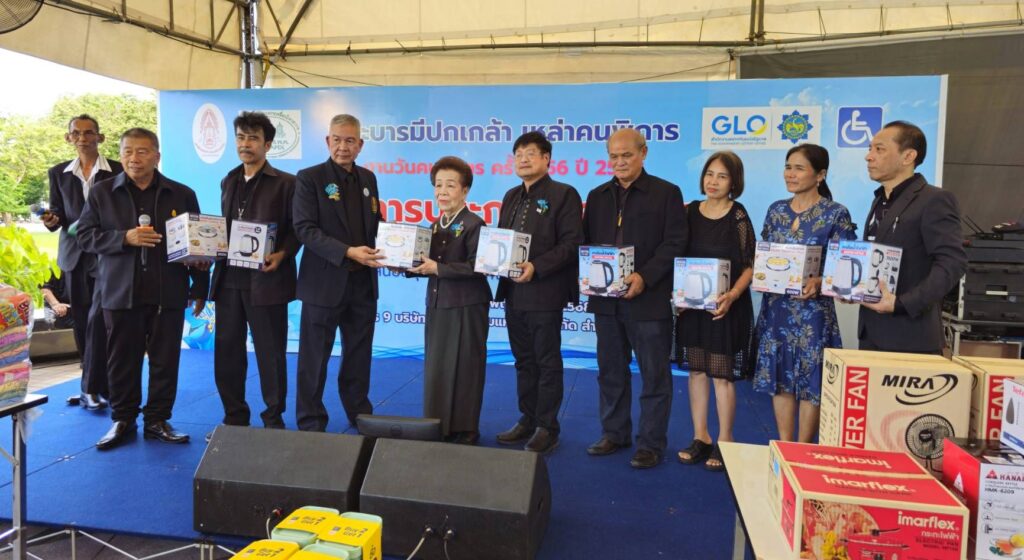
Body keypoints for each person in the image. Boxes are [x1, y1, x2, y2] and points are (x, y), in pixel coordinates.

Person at [77, 128, 209, 450]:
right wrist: (124, 238)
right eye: (128, 152)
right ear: (120, 155)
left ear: (157, 156)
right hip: (120, 292)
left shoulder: (182, 194)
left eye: (142, 151)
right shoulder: (102, 193)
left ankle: (158, 420)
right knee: (122, 361)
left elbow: (198, 243)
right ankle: (123, 420)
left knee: (166, 361)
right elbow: (84, 236)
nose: (134, 158)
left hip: (169, 291)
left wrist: (200, 287)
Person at [582, 128, 687, 469]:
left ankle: (651, 443)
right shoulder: (597, 196)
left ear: (644, 153)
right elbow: (586, 243)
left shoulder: (666, 193)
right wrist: (586, 274)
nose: (620, 162)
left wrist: (645, 276)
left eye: (626, 155)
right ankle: (614, 433)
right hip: (606, 301)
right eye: (613, 156)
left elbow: (675, 242)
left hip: (648, 300)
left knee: (654, 375)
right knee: (610, 371)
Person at [752, 144, 857, 443]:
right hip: (777, 309)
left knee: (812, 380)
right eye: (788, 167)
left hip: (813, 312)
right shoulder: (776, 210)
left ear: (820, 175)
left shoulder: (835, 213)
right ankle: (784, 445)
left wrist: (821, 280)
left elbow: (847, 265)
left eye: (799, 168)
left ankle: (803, 448)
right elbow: (765, 254)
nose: (791, 174)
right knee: (780, 377)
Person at [208, 112, 300, 437]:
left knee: (270, 354)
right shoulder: (229, 180)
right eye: (241, 137)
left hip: (267, 280)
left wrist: (283, 254)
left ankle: (273, 420)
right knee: (227, 353)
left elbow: (298, 228)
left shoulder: (287, 183)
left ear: (268, 144)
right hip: (228, 281)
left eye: (253, 138)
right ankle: (234, 418)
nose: (245, 144)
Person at [293, 114, 385, 432]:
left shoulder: (368, 179)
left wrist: (395, 249)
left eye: (349, 140)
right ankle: (310, 420)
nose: (342, 146)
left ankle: (359, 411)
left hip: (363, 283)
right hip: (323, 283)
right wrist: (347, 251)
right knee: (314, 358)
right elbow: (304, 229)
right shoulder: (309, 178)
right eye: (337, 139)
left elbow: (376, 226)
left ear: (360, 145)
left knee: (359, 354)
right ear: (327, 141)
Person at [494, 132, 583, 454]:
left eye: (530, 153)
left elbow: (571, 244)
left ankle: (547, 426)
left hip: (545, 292)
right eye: (518, 154)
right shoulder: (511, 196)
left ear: (547, 159)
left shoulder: (563, 194)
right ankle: (527, 418)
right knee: (523, 360)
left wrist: (537, 266)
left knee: (546, 361)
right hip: (513, 292)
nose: (523, 159)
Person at [675, 151, 755, 472]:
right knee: (696, 372)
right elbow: (677, 256)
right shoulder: (690, 212)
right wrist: (678, 295)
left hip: (725, 308)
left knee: (721, 376)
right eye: (710, 174)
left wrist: (732, 295)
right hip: (692, 308)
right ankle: (701, 437)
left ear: (734, 182)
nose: (713, 181)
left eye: (722, 176)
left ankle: (726, 440)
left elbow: (750, 265)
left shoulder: (738, 216)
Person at [858, 121, 967, 354]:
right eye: (870, 149)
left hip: (910, 336)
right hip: (870, 333)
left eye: (879, 149)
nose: (869, 156)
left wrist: (902, 303)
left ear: (908, 156)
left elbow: (952, 263)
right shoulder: (879, 200)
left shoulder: (934, 199)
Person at [405, 157, 492, 445]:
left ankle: (466, 429)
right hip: (438, 303)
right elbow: (426, 263)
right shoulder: (434, 225)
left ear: (465, 191)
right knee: (438, 366)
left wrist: (438, 268)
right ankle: (438, 425)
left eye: (450, 185)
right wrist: (404, 264)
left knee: (466, 366)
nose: (442, 192)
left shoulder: (474, 223)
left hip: (467, 305)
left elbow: (478, 267)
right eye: (438, 185)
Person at [43, 114, 123, 410]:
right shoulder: (58, 172)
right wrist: (51, 219)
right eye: (76, 133)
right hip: (74, 254)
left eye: (89, 132)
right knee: (80, 320)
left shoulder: (117, 169)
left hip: (106, 252)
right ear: (68, 138)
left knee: (103, 320)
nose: (83, 138)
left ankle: (103, 385)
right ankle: (89, 386)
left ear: (100, 137)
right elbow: (57, 213)